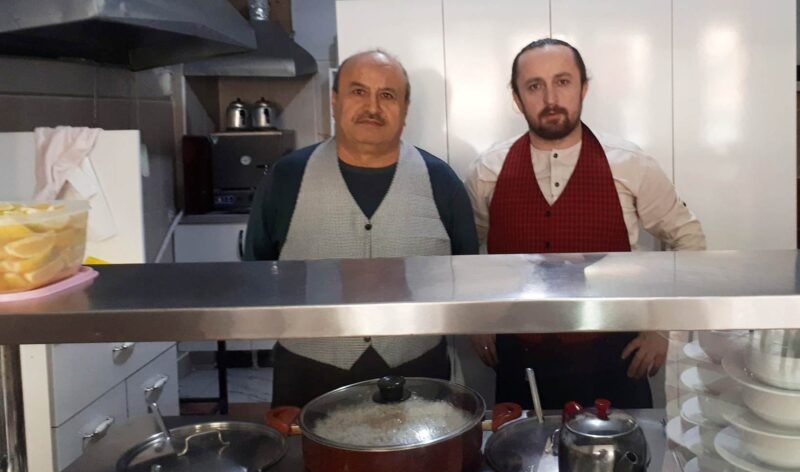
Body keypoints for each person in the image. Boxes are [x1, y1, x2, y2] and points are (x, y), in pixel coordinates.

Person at [465, 38, 706, 410]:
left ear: (584, 88)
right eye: (534, 86)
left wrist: (664, 330)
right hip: (518, 359)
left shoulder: (630, 163)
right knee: (517, 448)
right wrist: (477, 321)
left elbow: (689, 239)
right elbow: (465, 256)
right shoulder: (488, 170)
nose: (550, 99)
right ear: (517, 98)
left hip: (614, 358)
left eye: (562, 82)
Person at [245, 49, 479, 407]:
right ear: (334, 101)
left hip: (418, 373)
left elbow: (465, 275)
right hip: (308, 375)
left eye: (387, 95)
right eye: (358, 91)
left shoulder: (441, 181)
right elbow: (258, 270)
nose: (373, 107)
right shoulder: (287, 178)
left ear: (405, 109)